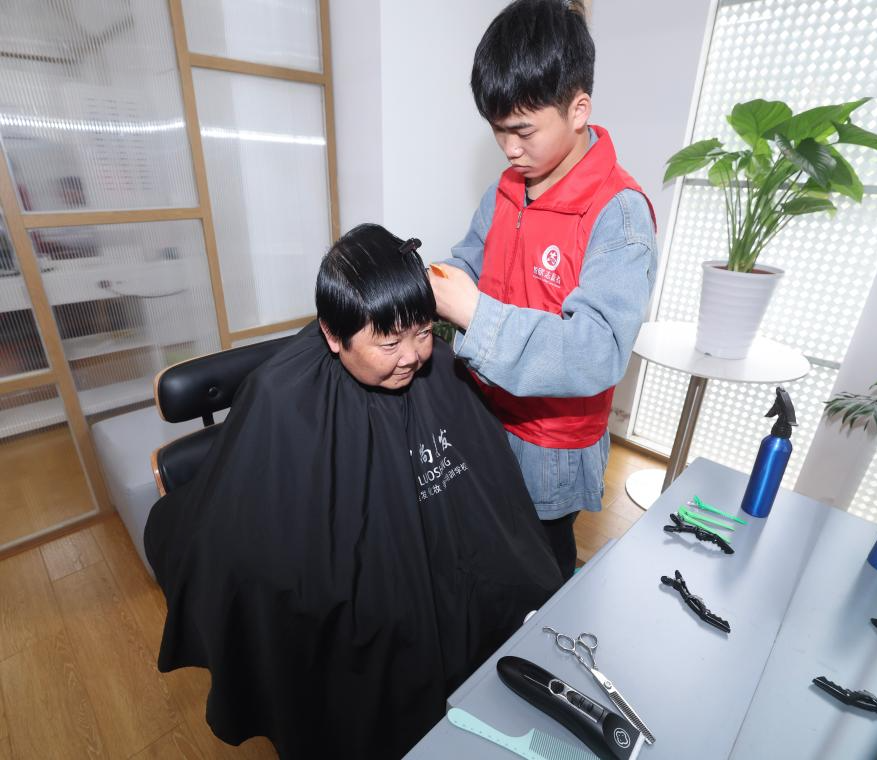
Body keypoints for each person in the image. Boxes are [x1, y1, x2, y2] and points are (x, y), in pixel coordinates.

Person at [145, 223, 562, 759]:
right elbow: (252, 532)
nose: (412, 356)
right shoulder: (280, 398)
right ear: (332, 335)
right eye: (388, 343)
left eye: (422, 332)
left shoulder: (440, 372)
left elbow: (491, 493)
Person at [429, 0, 658, 580]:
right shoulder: (506, 189)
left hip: (550, 442)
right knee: (486, 549)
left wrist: (475, 314)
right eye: (498, 130)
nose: (509, 149)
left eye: (523, 131)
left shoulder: (618, 215)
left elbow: (597, 350)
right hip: (486, 413)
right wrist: (431, 283)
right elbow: (469, 261)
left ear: (578, 108)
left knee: (539, 565)